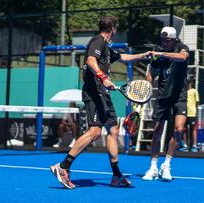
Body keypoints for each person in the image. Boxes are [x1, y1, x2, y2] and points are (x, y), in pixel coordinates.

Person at [50, 15, 150, 189]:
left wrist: (143, 55)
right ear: (113, 29)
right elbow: (90, 60)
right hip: (94, 93)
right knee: (95, 132)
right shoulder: (98, 42)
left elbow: (122, 57)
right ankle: (63, 166)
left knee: (113, 129)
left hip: (103, 94)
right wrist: (103, 77)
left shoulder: (106, 46)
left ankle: (117, 176)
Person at [142, 26, 190, 181]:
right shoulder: (157, 53)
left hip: (179, 96)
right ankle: (153, 167)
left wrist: (162, 53)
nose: (164, 42)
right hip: (162, 97)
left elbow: (182, 57)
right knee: (157, 131)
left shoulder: (181, 48)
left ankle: (166, 165)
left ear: (174, 39)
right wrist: (145, 88)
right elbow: (151, 75)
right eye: (162, 39)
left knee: (179, 129)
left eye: (167, 40)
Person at [179, 79, 199, 152]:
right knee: (183, 129)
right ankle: (185, 145)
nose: (187, 84)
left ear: (191, 83)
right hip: (184, 113)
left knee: (193, 129)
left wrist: (194, 110)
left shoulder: (194, 91)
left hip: (192, 113)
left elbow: (197, 102)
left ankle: (194, 145)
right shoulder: (184, 92)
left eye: (188, 83)